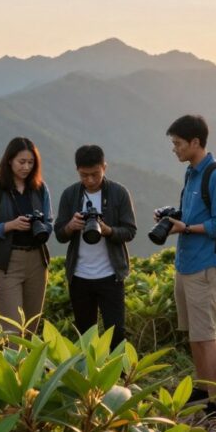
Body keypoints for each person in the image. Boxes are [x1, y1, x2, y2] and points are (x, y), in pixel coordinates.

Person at [159, 114, 216, 414]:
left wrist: (186, 228)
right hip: (186, 262)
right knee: (194, 334)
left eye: (177, 144)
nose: (174, 149)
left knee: (206, 335)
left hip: (205, 265)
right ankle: (203, 389)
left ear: (195, 143)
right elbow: (195, 214)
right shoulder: (191, 173)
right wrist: (173, 217)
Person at [53, 145, 137, 350]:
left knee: (116, 333)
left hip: (111, 275)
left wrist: (108, 231)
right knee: (85, 335)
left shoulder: (118, 193)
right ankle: (88, 379)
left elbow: (130, 230)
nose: (90, 180)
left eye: (95, 174)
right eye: (84, 175)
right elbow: (59, 234)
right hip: (80, 276)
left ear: (104, 167)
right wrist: (70, 227)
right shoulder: (70, 195)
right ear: (77, 171)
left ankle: (118, 378)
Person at [0, 137, 53, 338]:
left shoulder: (40, 189)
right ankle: (11, 368)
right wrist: (9, 226)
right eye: (22, 162)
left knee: (30, 330)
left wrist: (41, 227)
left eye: (31, 163)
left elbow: (49, 222)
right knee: (12, 333)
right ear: (9, 160)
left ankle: (28, 370)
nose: (26, 167)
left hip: (37, 262)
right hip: (7, 263)